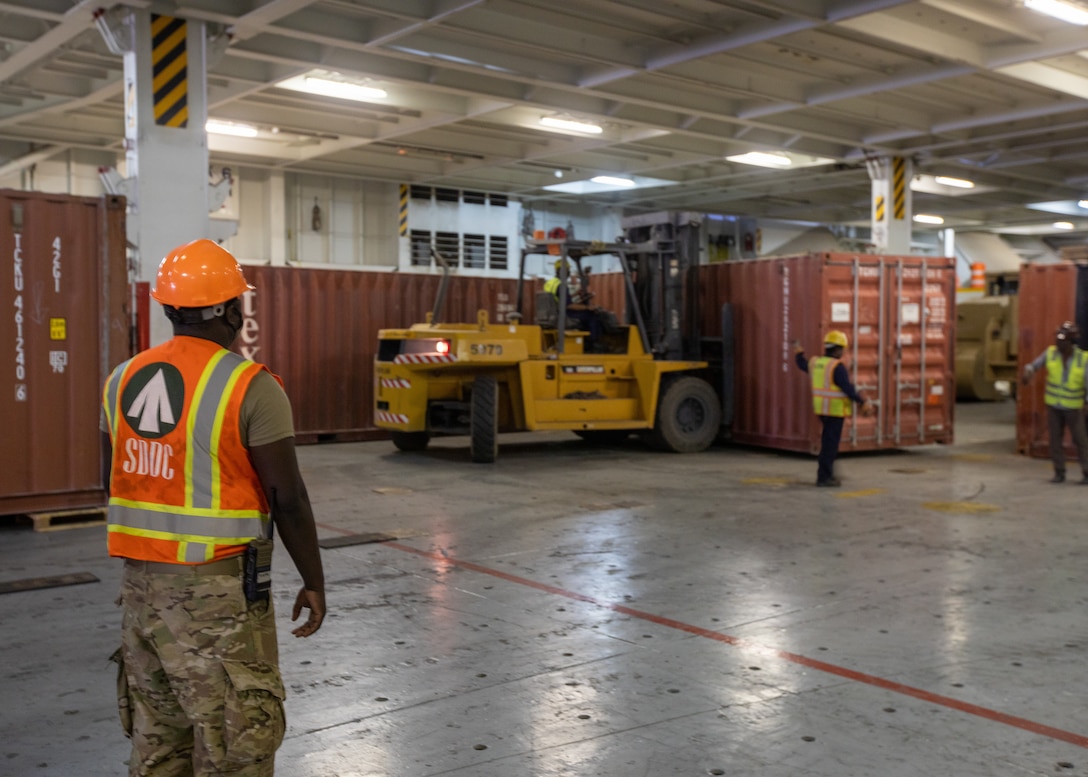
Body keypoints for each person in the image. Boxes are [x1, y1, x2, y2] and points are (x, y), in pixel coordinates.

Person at [101, 238, 326, 776]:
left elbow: (110, 481)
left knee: (158, 743)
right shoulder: (249, 385)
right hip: (217, 599)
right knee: (233, 747)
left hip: (140, 595)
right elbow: (287, 498)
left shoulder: (122, 379)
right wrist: (314, 580)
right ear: (229, 310)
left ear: (170, 308)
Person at [793, 331, 874, 487]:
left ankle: (828, 473)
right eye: (842, 349)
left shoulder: (816, 363)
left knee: (828, 443)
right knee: (830, 446)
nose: (843, 352)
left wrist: (798, 352)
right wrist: (862, 401)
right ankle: (824, 477)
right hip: (834, 411)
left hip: (822, 411)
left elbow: (801, 364)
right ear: (838, 349)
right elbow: (847, 388)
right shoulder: (837, 367)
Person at [1021, 321, 1088, 483]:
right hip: (1054, 406)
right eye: (1057, 340)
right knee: (1055, 441)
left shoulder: (1083, 359)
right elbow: (1034, 366)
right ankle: (1059, 472)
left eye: (1062, 341)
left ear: (1071, 342)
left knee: (1080, 440)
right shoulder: (1050, 353)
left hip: (1073, 408)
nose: (1058, 343)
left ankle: (1087, 473)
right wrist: (1027, 372)